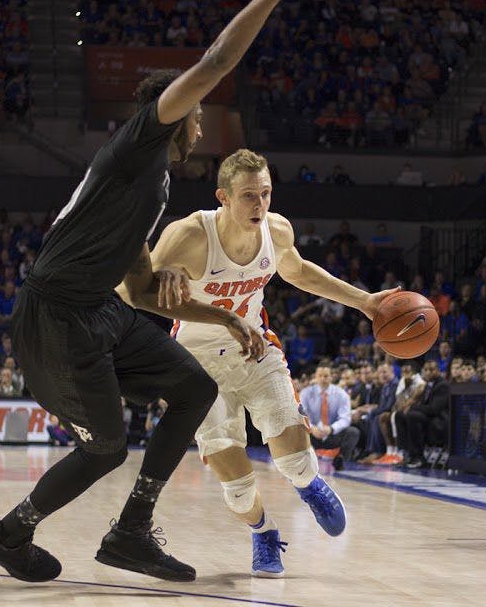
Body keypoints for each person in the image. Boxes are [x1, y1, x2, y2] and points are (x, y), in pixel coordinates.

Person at [0, 0, 309, 584]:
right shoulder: (136, 145)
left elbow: (146, 289)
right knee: (105, 446)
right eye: (196, 115)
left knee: (194, 387)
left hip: (101, 309)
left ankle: (130, 531)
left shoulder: (152, 185)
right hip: (57, 314)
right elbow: (216, 60)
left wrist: (225, 315)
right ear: (171, 113)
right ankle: (7, 533)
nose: (201, 125)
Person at [141, 148, 395, 577]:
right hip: (196, 364)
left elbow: (299, 272)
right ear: (222, 196)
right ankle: (263, 532)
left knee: (295, 456)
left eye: (266, 193)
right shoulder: (189, 235)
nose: (259, 205)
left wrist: (365, 302)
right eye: (248, 196)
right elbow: (138, 286)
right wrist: (160, 274)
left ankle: (310, 485)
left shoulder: (276, 231)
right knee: (238, 488)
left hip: (255, 349)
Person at [301, 365, 361, 469]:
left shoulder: (341, 394)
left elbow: (345, 418)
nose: (323, 379)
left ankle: (340, 459)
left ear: (331, 377)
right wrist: (312, 428)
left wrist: (331, 429)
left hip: (332, 434)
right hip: (312, 434)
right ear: (315, 377)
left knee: (353, 432)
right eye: (320, 376)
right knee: (296, 429)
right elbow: (301, 415)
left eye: (326, 376)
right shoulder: (306, 393)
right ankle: (302, 461)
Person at [394, 361, 449, 468]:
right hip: (428, 416)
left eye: (431, 370)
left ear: (438, 371)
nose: (428, 372)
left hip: (439, 419)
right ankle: (405, 453)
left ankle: (418, 457)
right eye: (426, 370)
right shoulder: (426, 384)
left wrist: (412, 407)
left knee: (412, 415)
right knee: (399, 415)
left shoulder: (443, 385)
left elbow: (434, 409)